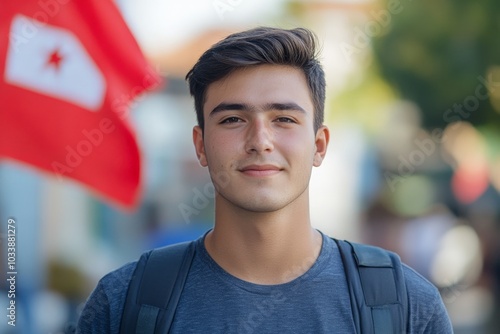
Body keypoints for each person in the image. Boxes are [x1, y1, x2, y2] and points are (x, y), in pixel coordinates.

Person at [77, 27, 453, 333]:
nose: (260, 141)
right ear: (201, 145)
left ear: (319, 145)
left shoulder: (404, 305)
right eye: (232, 119)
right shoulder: (126, 302)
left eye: (284, 119)